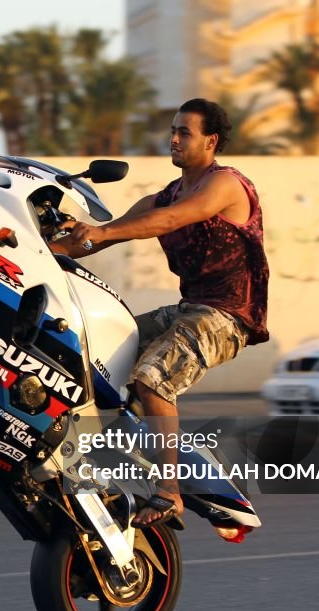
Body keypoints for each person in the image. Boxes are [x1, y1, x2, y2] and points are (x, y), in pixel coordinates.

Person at [50, 98, 269, 527]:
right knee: (95, 351)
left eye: (183, 132)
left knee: (152, 378)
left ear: (211, 142)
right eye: (172, 130)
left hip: (226, 317)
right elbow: (97, 240)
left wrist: (101, 231)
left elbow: (172, 220)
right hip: (189, 311)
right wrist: (34, 246)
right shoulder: (165, 195)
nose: (172, 139)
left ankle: (169, 492)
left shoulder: (226, 185)